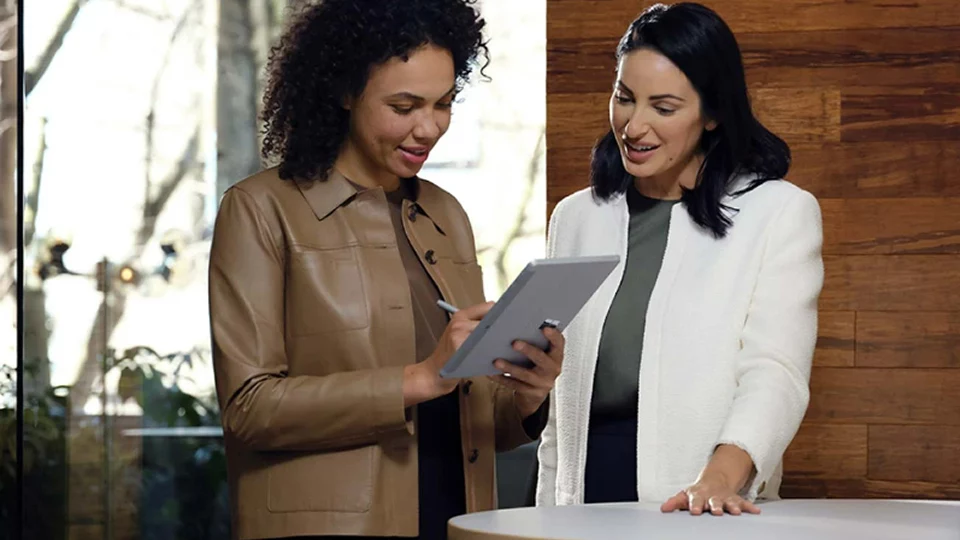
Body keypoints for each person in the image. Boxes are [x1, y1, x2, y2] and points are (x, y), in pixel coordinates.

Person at [208, 1, 563, 538]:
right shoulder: (260, 210)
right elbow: (249, 408)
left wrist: (529, 394)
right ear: (345, 91)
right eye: (404, 106)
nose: (429, 128)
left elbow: (473, 412)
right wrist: (419, 378)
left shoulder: (446, 214)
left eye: (444, 103)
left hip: (455, 517)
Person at [536, 2, 823, 516]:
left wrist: (719, 478)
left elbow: (774, 373)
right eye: (624, 98)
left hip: (702, 500)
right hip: (582, 499)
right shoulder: (576, 217)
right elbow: (561, 404)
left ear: (712, 113)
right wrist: (545, 511)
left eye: (663, 108)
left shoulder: (778, 212)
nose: (634, 125)